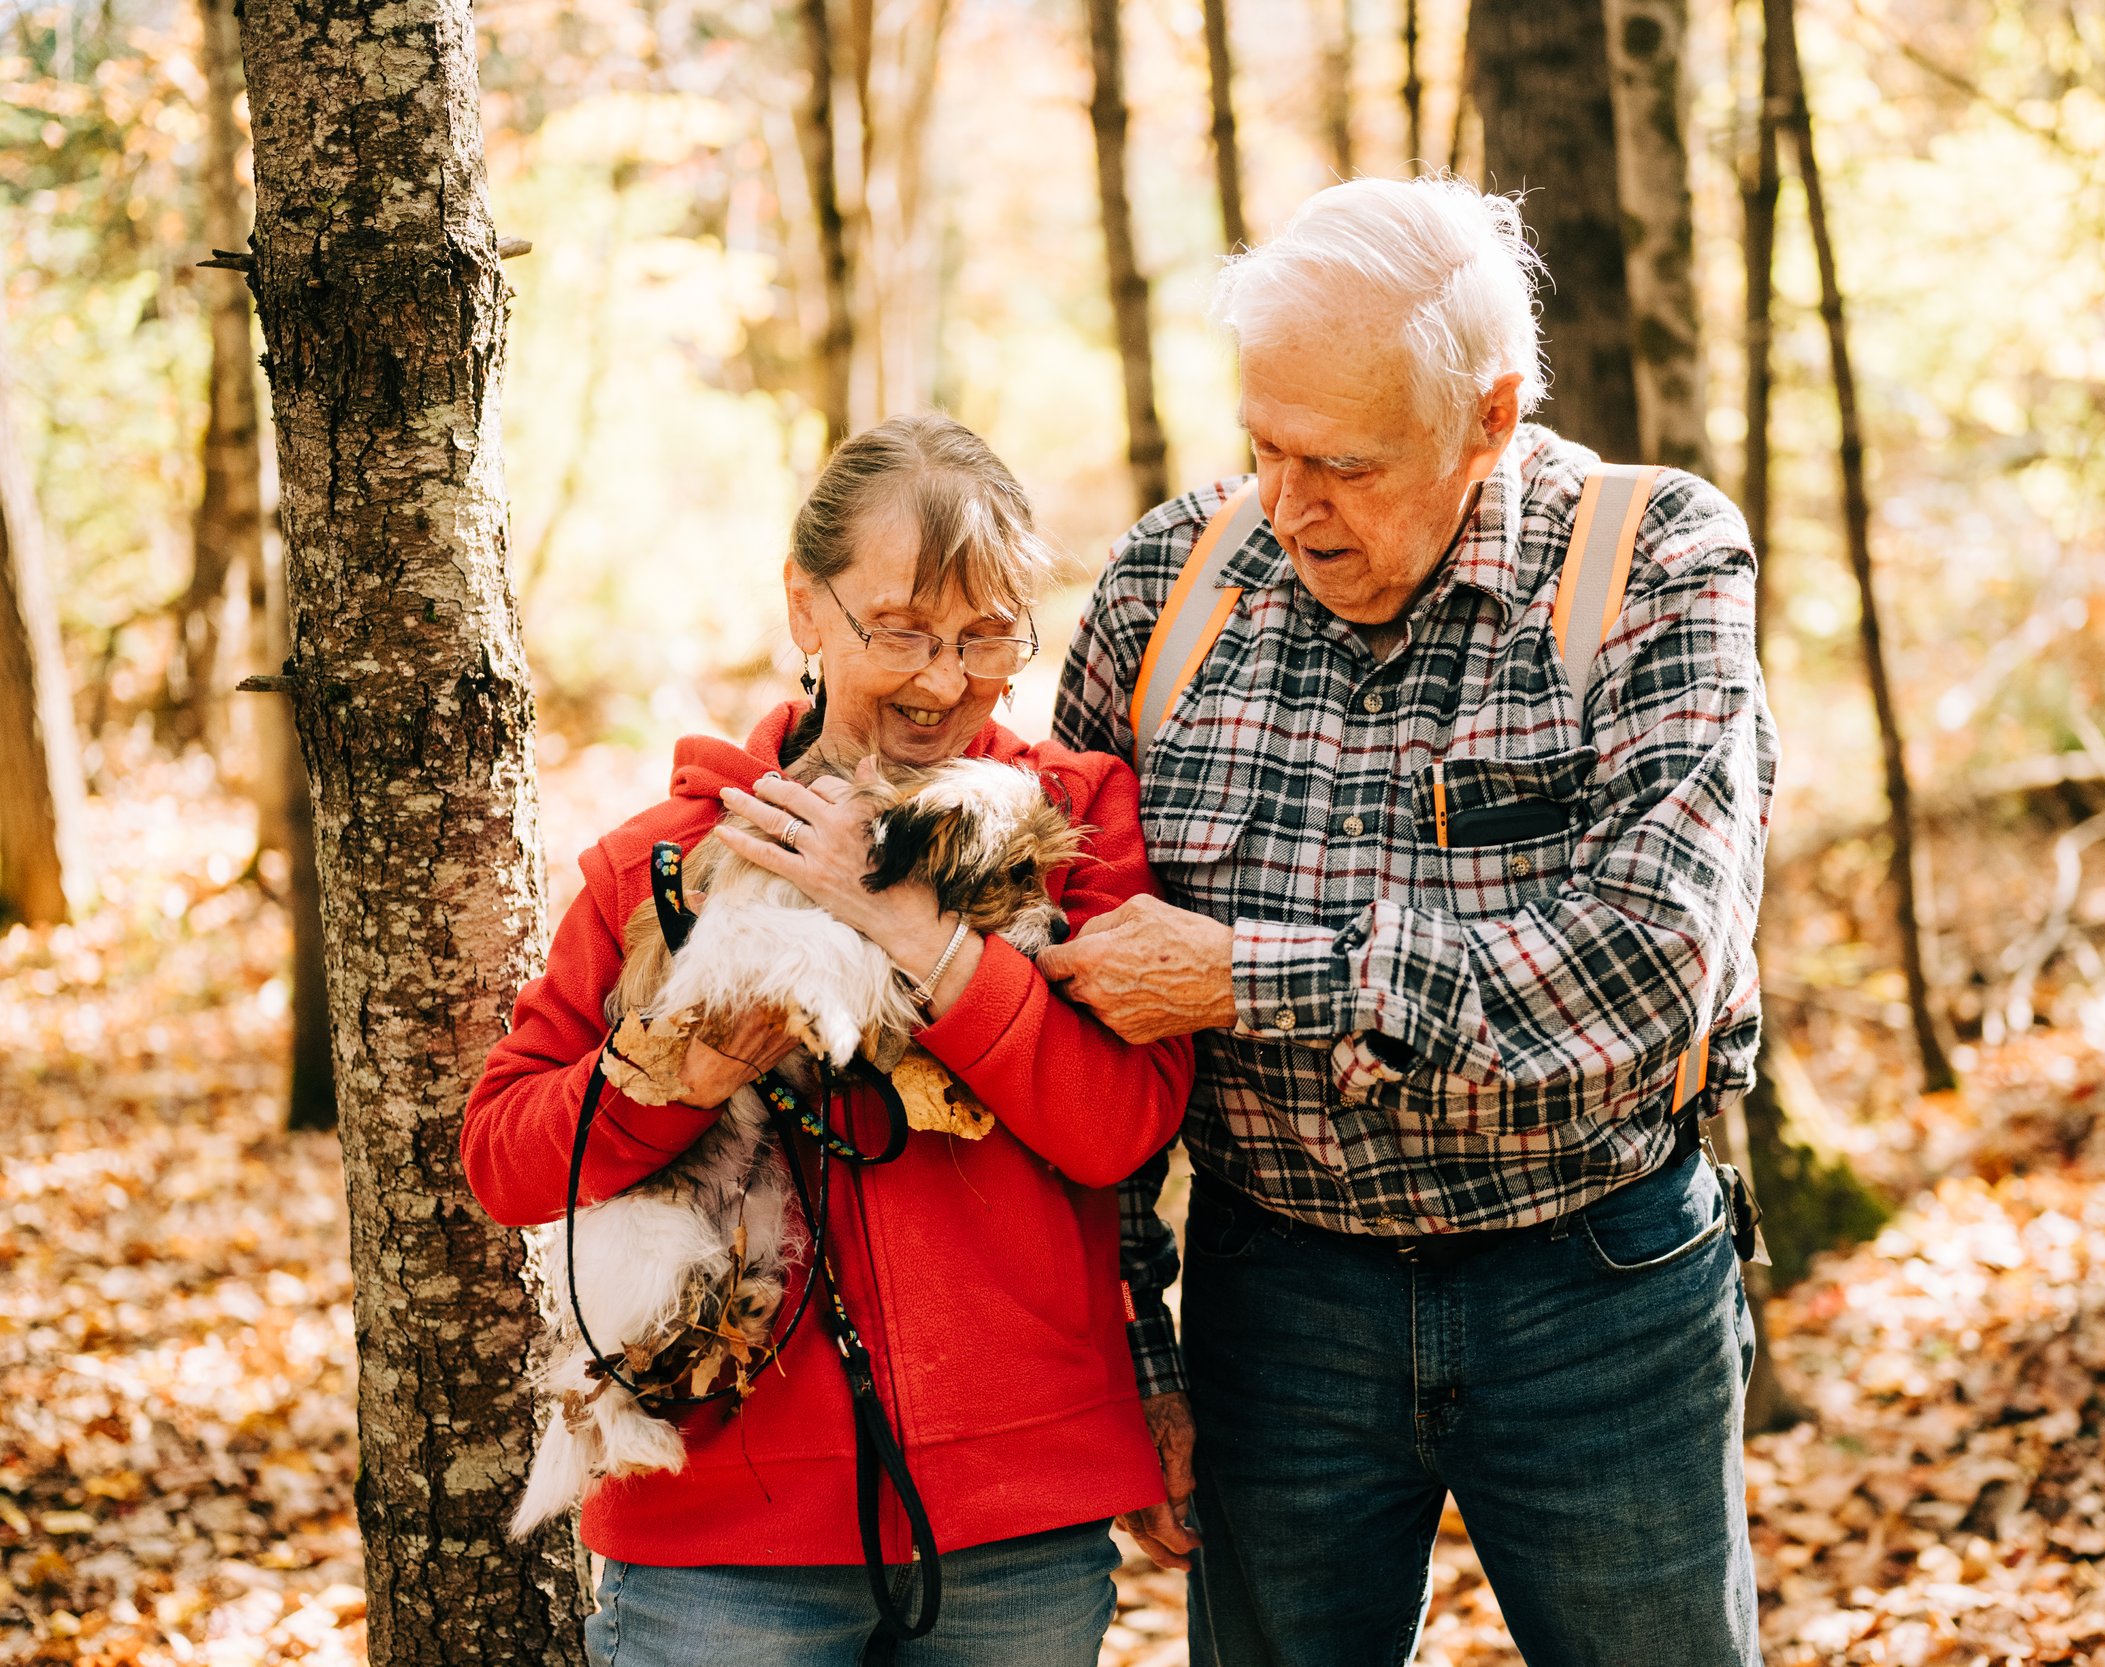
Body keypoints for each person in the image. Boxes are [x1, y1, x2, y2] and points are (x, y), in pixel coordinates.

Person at [1040, 177, 1778, 1666]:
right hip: (1278, 1294)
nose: (1293, 508)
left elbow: (1648, 967)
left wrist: (1254, 978)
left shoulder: (1655, 562)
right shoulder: (1167, 585)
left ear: (1490, 418)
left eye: (1347, 465)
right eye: (1266, 449)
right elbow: (1070, 998)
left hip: (1597, 1285)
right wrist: (1137, 1342)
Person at [462, 414, 1193, 1666]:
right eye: (899, 629)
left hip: (1015, 1526)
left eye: (985, 635)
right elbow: (504, 1158)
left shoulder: (1072, 823)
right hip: (720, 1538)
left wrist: (920, 936)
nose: (941, 678)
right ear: (806, 607)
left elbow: (1119, 1123)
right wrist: (674, 1076)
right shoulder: (667, 858)